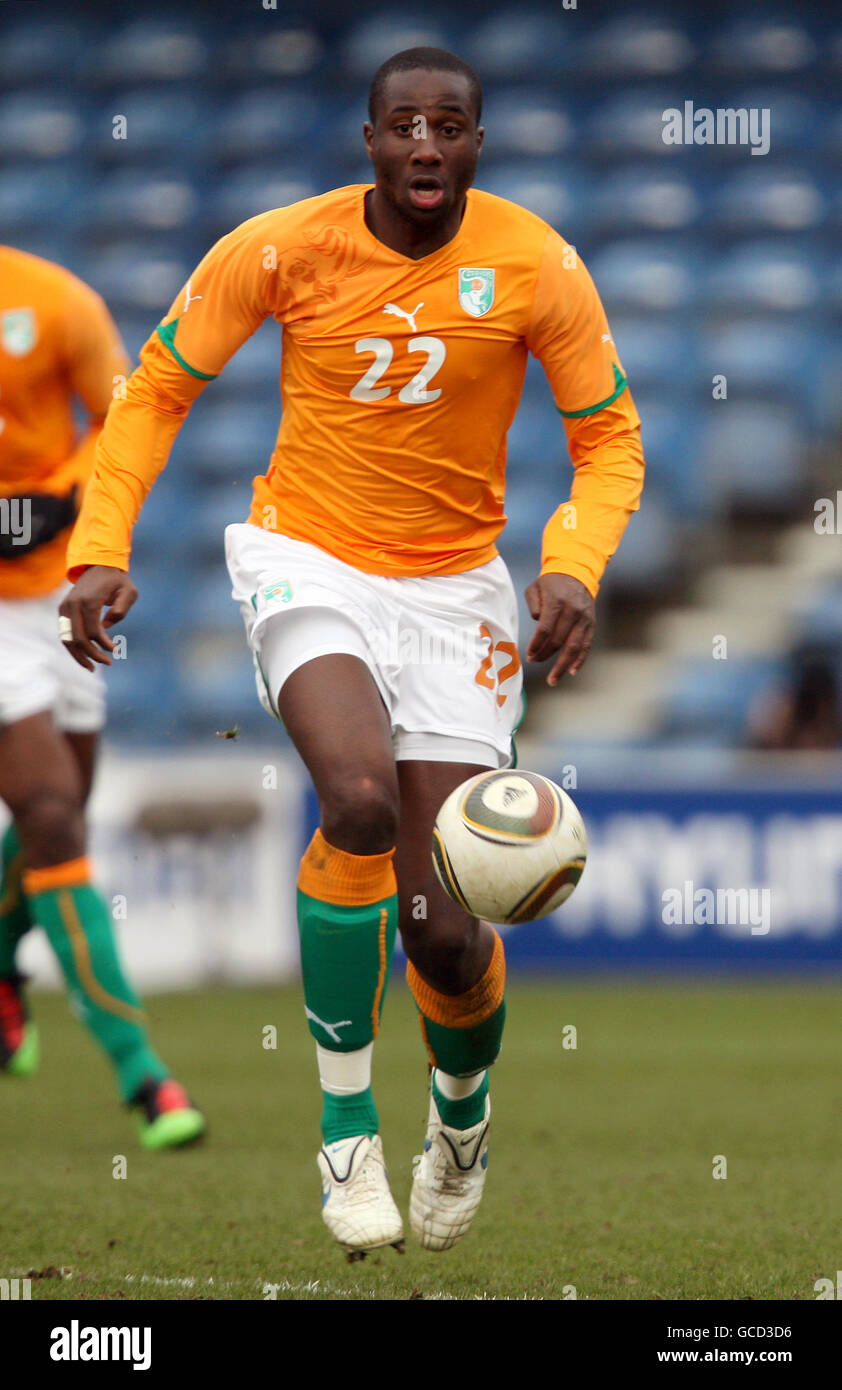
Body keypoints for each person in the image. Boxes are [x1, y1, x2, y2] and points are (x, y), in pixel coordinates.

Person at [60, 48, 645, 1253]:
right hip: (307, 557)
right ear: (368, 138)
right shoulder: (277, 247)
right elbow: (154, 388)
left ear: (478, 144)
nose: (425, 144)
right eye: (403, 124)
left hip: (454, 594)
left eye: (450, 125)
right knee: (359, 800)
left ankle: (462, 1116)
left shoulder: (537, 263)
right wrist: (100, 543)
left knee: (440, 922)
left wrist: (573, 563)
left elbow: (609, 438)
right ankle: (343, 1138)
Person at [0, 244, 205, 1150]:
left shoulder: (53, 300)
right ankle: (144, 1076)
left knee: (63, 804)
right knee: (50, 814)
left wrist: (64, 499)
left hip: (59, 594)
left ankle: (2, 969)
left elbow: (126, 412)